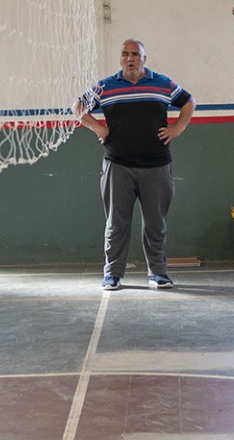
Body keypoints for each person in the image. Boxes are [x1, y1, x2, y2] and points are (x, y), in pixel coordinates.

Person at [76, 38, 194, 290]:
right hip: (117, 165)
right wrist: (98, 128)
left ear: (144, 58)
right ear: (120, 58)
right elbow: (78, 107)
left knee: (156, 224)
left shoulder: (162, 83)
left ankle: (158, 273)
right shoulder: (105, 86)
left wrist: (178, 128)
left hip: (156, 165)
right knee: (116, 224)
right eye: (125, 54)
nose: (130, 58)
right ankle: (112, 274)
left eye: (135, 54)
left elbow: (188, 101)